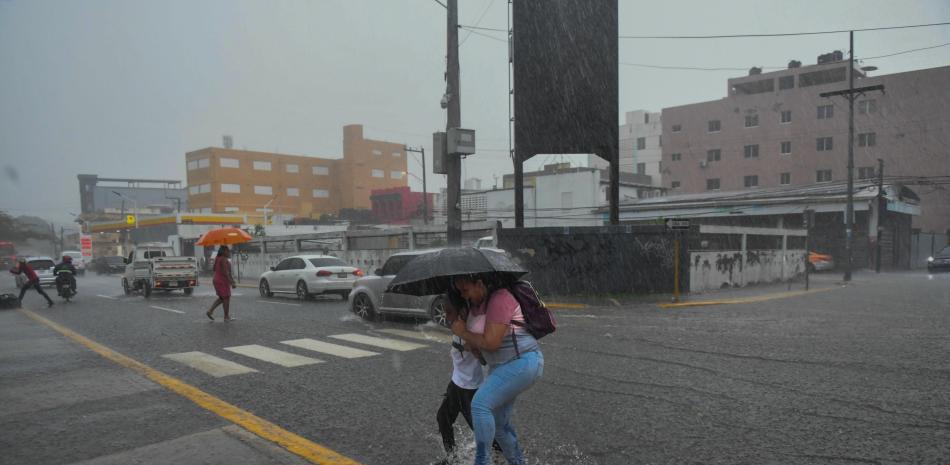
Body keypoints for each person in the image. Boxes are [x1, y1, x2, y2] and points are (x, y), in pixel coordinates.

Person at [450, 275, 544, 465]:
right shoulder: (476, 306)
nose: (463, 295)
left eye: (465, 290)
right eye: (460, 291)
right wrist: (474, 347)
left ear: (479, 283)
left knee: (479, 405)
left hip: (522, 362)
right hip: (500, 367)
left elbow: (492, 343)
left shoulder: (500, 298)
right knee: (499, 423)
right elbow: (485, 354)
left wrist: (462, 332)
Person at [434, 289, 488, 464]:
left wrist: (473, 346)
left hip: (470, 389)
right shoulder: (458, 324)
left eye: (449, 311)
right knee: (443, 418)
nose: (446, 316)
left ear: (463, 312)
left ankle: (501, 455)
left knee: (482, 431)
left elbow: (487, 358)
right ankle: (451, 458)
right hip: (456, 384)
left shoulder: (474, 327)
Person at [206, 245, 236, 321]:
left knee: (222, 298)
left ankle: (210, 311)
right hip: (222, 281)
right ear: (224, 252)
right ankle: (226, 317)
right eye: (227, 251)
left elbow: (214, 269)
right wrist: (232, 282)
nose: (229, 252)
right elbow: (226, 273)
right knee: (226, 298)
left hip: (216, 279)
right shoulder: (223, 259)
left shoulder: (218, 258)